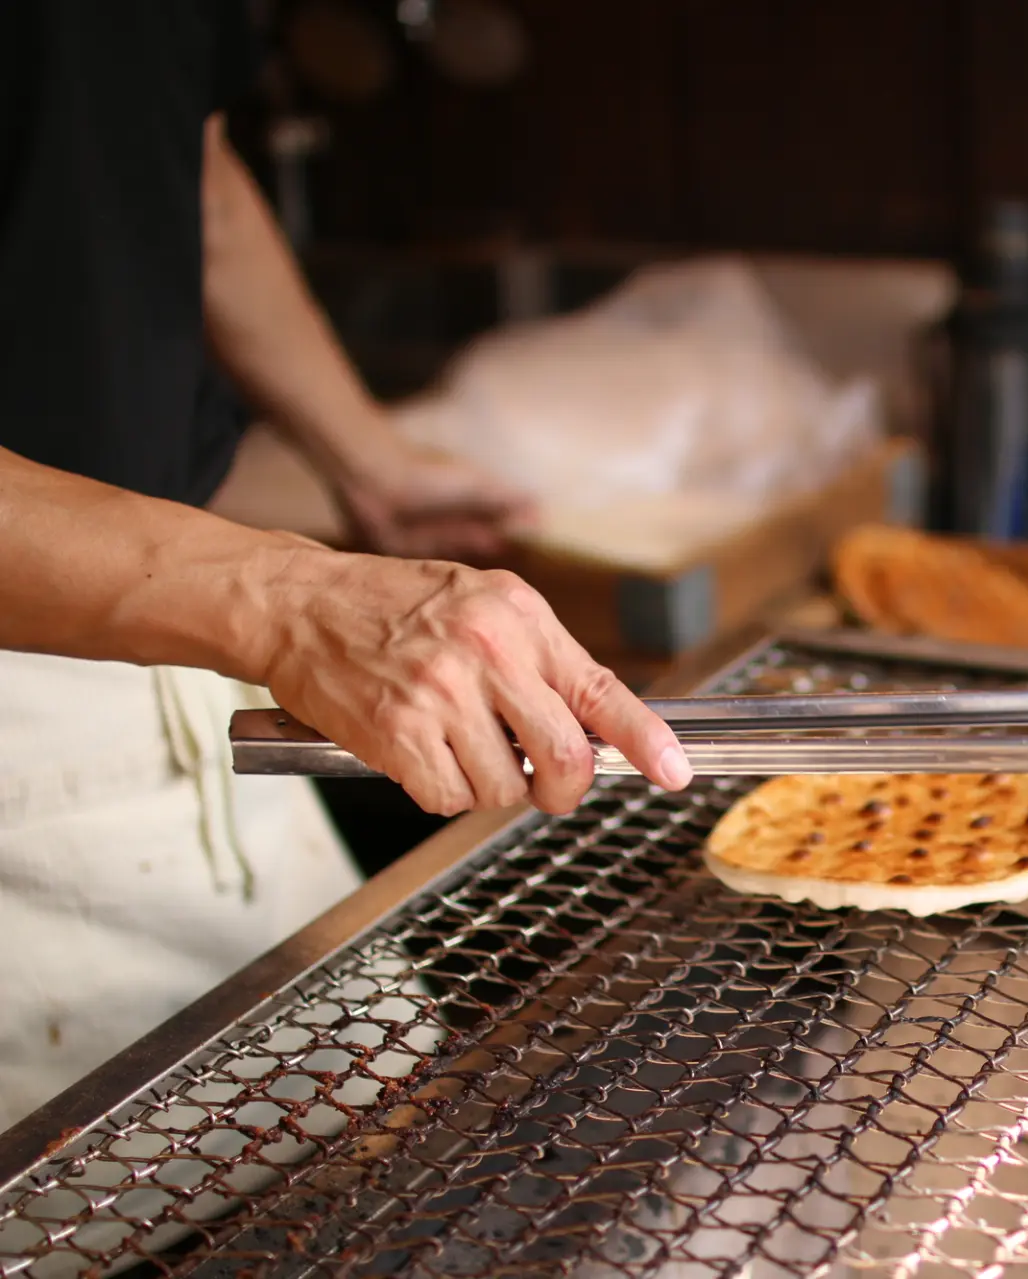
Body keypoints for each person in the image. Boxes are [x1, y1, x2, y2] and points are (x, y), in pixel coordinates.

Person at [0, 2, 689, 1130]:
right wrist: (292, 598)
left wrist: (365, 455)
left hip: (187, 641)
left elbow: (177, 163)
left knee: (372, 1137)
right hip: (34, 695)